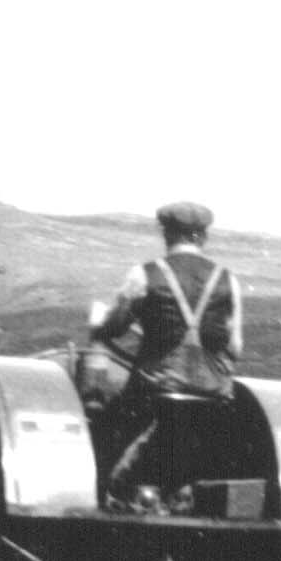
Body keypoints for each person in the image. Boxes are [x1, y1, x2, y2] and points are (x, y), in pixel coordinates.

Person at [90, 201, 244, 505]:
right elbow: (235, 348)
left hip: (155, 390)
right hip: (212, 393)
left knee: (102, 425)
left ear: (166, 234)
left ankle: (107, 492)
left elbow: (113, 328)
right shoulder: (229, 280)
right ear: (203, 236)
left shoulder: (144, 274)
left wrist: (99, 322)